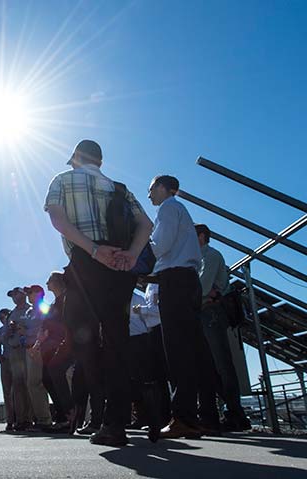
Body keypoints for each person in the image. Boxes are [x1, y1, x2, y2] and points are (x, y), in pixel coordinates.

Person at [44, 139, 153, 446]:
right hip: (119, 263)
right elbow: (145, 224)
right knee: (117, 340)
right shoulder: (119, 188)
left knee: (83, 340)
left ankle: (92, 412)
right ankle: (114, 423)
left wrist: (93, 249)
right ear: (101, 162)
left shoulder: (62, 179)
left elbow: (56, 218)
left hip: (84, 262)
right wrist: (131, 254)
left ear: (77, 158)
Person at [147, 175, 212, 439]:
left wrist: (135, 246)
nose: (150, 195)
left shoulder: (168, 207)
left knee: (178, 351)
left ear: (163, 188)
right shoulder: (180, 210)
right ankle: (203, 416)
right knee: (194, 349)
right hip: (187, 280)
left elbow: (159, 246)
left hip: (175, 281)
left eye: (151, 190)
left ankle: (183, 417)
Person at [196, 224, 251, 431]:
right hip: (207, 311)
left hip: (212, 313)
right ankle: (228, 412)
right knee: (211, 366)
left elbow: (202, 286)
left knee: (221, 365)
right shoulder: (201, 258)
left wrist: (194, 292)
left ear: (201, 236)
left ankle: (235, 414)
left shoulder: (210, 256)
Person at [128, 283, 170, 441]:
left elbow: (157, 312)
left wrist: (142, 310)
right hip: (133, 340)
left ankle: (162, 417)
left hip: (142, 339)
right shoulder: (148, 289)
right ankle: (144, 417)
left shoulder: (142, 295)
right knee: (136, 381)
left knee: (154, 378)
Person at [35, 272, 73, 427]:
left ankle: (69, 414)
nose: (47, 284)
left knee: (57, 374)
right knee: (47, 378)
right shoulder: (53, 305)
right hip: (48, 349)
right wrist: (38, 343)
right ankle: (62, 416)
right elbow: (45, 327)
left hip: (63, 345)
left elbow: (68, 323)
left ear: (57, 282)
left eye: (49, 281)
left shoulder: (67, 300)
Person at [22, 285, 59, 431]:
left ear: (39, 293)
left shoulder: (44, 308)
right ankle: (42, 418)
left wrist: (30, 336)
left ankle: (45, 419)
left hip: (38, 349)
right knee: (33, 384)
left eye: (30, 292)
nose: (28, 295)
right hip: (29, 349)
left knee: (37, 383)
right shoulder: (30, 311)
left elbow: (46, 329)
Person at [4, 287, 34, 430]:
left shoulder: (31, 310)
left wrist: (24, 329)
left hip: (28, 349)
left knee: (30, 383)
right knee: (17, 386)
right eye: (12, 296)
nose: (14, 297)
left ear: (23, 294)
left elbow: (37, 327)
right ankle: (20, 419)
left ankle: (30, 418)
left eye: (16, 294)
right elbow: (5, 335)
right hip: (15, 351)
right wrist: (9, 332)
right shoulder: (11, 314)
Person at [0, 308, 16, 431]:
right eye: (0, 318)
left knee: (19, 390)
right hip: (6, 362)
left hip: (18, 360)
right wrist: (0, 358)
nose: (1, 320)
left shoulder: (14, 327)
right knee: (7, 391)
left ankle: (22, 419)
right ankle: (10, 420)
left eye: (3, 317)